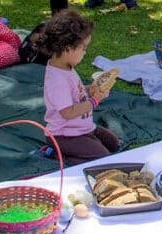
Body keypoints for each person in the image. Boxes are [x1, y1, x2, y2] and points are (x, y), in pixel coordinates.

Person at [31, 9, 119, 165]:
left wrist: (88, 90)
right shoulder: (57, 80)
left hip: (83, 128)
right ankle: (54, 154)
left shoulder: (66, 66)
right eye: (83, 48)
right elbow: (67, 112)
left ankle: (81, 148)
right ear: (67, 49)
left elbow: (74, 92)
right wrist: (94, 101)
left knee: (113, 143)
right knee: (102, 158)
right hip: (65, 135)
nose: (85, 52)